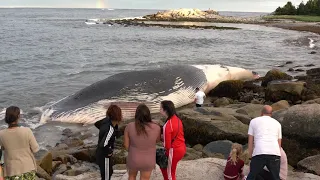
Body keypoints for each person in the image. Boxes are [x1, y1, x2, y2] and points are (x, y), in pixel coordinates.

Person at [0, 106, 39, 179]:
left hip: (11, 171)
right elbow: (35, 149)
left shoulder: (1, 134)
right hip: (28, 169)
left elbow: (1, 150)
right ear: (18, 116)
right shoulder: (27, 131)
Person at [124, 104, 161, 180]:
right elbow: (157, 140)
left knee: (132, 177)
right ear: (148, 115)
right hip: (148, 159)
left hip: (134, 158)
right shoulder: (157, 127)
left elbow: (126, 145)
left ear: (136, 115)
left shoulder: (129, 126)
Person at [247, 105, 282, 180]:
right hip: (274, 153)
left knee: (252, 176)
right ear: (271, 114)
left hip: (259, 152)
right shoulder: (278, 124)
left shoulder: (253, 121)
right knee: (275, 177)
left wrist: (250, 156)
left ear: (261, 113)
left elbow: (250, 141)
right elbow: (279, 143)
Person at [160, 100, 186, 180]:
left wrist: (162, 141)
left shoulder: (167, 125)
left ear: (165, 110)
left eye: (160, 108)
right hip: (182, 147)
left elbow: (167, 146)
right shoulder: (177, 119)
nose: (159, 109)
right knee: (172, 170)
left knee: (170, 174)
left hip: (174, 151)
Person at [95, 105, 122, 180]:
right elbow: (103, 144)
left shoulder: (106, 121)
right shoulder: (110, 129)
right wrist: (109, 151)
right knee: (106, 177)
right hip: (104, 156)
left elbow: (96, 123)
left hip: (99, 154)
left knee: (109, 172)